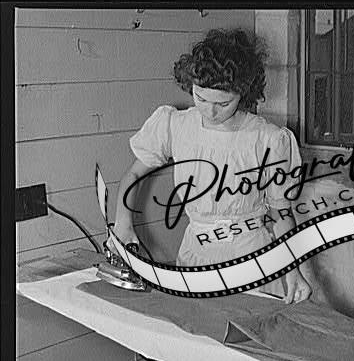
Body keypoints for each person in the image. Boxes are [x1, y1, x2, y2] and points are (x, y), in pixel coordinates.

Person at [109, 28, 312, 305]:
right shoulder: (175, 125)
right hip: (195, 257)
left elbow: (281, 213)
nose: (211, 111)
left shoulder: (268, 139)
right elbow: (133, 174)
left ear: (244, 92)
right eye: (201, 98)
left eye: (223, 103)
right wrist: (122, 223)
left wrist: (293, 270)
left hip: (253, 260)